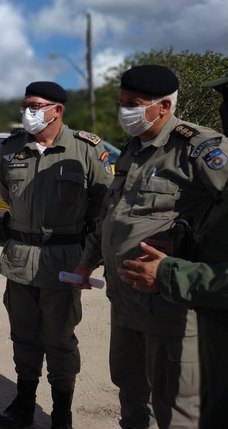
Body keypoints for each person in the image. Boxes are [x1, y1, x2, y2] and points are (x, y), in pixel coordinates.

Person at [73, 64, 228, 429]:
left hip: (171, 307)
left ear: (163, 107)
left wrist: (189, 266)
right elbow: (112, 215)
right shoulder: (133, 150)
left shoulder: (199, 149)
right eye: (122, 101)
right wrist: (87, 261)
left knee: (175, 408)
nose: (124, 110)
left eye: (134, 103)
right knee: (129, 390)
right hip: (125, 302)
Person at [0, 81, 113, 429]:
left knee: (60, 340)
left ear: (56, 110)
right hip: (20, 260)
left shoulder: (86, 149)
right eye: (26, 104)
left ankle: (62, 411)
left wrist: (90, 257)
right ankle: (24, 403)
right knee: (23, 337)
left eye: (35, 105)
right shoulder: (12, 149)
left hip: (64, 261)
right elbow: (8, 194)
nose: (27, 110)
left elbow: (103, 207)